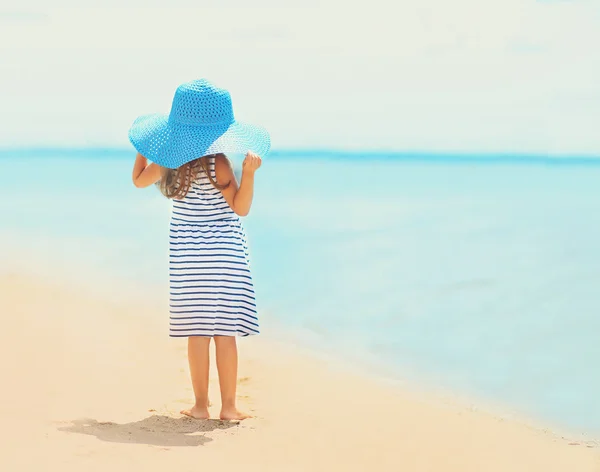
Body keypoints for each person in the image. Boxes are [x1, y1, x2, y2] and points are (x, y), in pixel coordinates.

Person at [128, 79, 270, 420]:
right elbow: (240, 207)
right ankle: (230, 407)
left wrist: (149, 147)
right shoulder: (218, 163)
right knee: (224, 331)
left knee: (197, 331)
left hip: (189, 259)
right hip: (224, 255)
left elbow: (137, 179)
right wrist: (248, 174)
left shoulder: (169, 165)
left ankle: (201, 406)